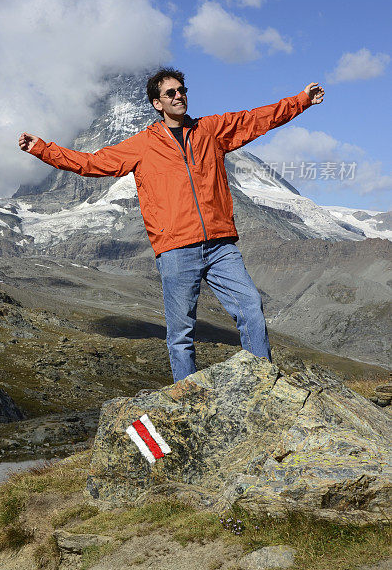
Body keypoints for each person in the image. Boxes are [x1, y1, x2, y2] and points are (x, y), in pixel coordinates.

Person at [19, 70, 324, 382]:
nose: (179, 96)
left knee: (250, 307)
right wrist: (43, 149)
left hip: (220, 245)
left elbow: (256, 120)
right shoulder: (142, 145)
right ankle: (186, 399)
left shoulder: (210, 130)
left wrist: (301, 101)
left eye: (181, 90)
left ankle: (262, 383)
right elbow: (91, 163)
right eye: (170, 93)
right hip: (176, 250)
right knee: (181, 334)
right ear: (157, 103)